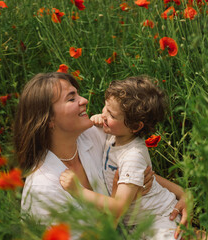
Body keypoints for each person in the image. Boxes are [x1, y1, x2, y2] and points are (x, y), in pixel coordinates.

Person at [14, 72, 187, 238]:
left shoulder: (97, 135)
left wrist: (183, 194)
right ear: (49, 119)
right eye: (72, 98)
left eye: (78, 94)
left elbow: (138, 171)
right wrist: (116, 202)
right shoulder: (42, 191)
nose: (84, 100)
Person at [60, 76, 183, 239]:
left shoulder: (133, 156)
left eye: (111, 114)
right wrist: (103, 118)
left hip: (160, 219)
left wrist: (78, 191)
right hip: (137, 223)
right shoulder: (116, 136)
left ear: (135, 126)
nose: (103, 114)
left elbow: (118, 207)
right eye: (105, 107)